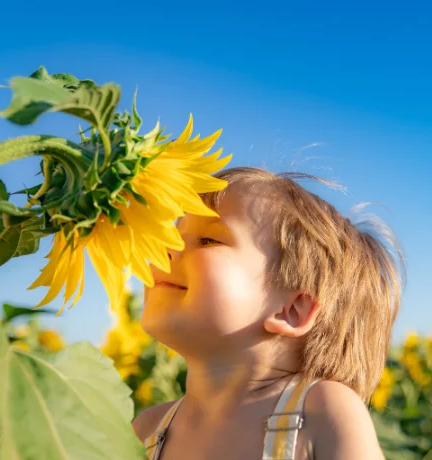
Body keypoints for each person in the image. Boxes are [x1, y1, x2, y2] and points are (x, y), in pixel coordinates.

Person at [131, 166, 404, 459]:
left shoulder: (322, 412)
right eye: (171, 236)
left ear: (291, 310)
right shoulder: (146, 429)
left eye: (208, 240)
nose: (164, 249)